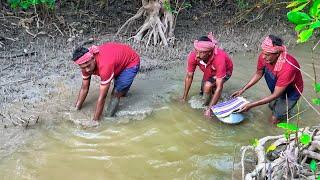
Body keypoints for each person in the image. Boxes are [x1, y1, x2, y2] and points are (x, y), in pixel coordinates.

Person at [232, 35, 303, 124]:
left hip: (291, 92)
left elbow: (275, 95)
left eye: (267, 55)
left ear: (277, 54)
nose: (263, 57)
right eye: (263, 53)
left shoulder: (288, 68)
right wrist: (242, 90)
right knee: (271, 106)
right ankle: (283, 112)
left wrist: (251, 105)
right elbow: (259, 73)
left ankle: (279, 123)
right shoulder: (264, 57)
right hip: (277, 84)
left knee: (273, 119)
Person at [72, 42, 140, 123]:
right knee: (121, 89)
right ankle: (123, 92)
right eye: (83, 68)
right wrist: (76, 109)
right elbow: (84, 88)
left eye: (88, 66)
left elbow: (102, 97)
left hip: (131, 62)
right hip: (117, 60)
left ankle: (109, 117)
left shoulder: (104, 65)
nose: (87, 70)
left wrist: (95, 121)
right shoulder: (86, 63)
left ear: (93, 58)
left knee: (116, 93)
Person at [181, 32, 233, 117]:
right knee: (203, 92)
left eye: (201, 52)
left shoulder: (219, 59)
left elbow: (220, 87)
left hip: (225, 71)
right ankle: (211, 98)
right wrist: (184, 98)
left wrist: (209, 109)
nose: (197, 55)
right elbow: (189, 76)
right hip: (209, 71)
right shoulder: (193, 56)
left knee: (208, 86)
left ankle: (209, 107)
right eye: (196, 51)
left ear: (209, 52)